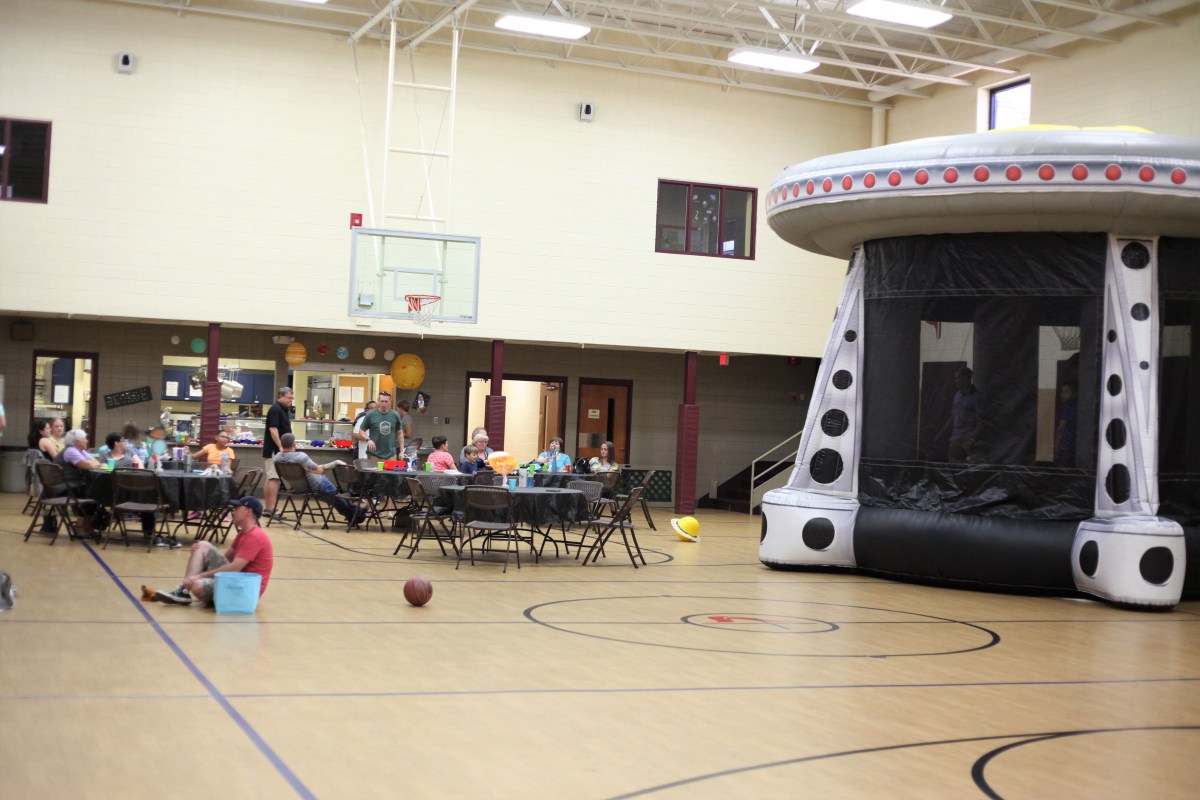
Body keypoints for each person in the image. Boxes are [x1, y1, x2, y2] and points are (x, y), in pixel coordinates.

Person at [143, 496, 274, 607]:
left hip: (244, 592)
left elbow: (234, 567)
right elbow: (225, 560)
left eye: (236, 509)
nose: (233, 512)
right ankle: (183, 590)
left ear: (248, 512)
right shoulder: (243, 534)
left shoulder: (255, 536)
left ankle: (190, 587)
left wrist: (200, 576)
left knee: (197, 585)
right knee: (202, 545)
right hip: (236, 581)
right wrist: (200, 556)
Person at [274, 433, 363, 524]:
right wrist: (335, 463)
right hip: (314, 485)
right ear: (294, 444)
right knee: (335, 496)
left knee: (332, 498)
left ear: (281, 444)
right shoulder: (300, 457)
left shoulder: (277, 457)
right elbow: (318, 470)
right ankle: (357, 512)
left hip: (297, 487)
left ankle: (353, 514)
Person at [262, 387, 294, 521]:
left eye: (292, 398)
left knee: (271, 478)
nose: (291, 400)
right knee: (274, 479)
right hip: (274, 450)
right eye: (289, 398)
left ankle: (268, 508)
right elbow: (273, 429)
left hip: (276, 450)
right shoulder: (276, 409)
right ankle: (271, 508)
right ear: (280, 396)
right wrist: (280, 446)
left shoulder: (283, 410)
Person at [942, 367, 985, 463]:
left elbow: (981, 421)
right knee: (953, 467)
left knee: (975, 467)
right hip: (955, 438)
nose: (955, 381)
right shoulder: (957, 395)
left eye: (957, 378)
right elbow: (952, 416)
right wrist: (941, 433)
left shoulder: (977, 397)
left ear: (965, 378)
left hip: (969, 439)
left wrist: (972, 440)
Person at [356, 390, 403, 460]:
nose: (384, 404)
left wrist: (401, 451)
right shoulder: (370, 415)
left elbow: (400, 433)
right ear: (378, 401)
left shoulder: (395, 415)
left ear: (390, 401)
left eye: (386, 401)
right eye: (382, 401)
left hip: (391, 455)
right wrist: (368, 440)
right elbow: (361, 431)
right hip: (374, 454)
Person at [1054, 381, 1078, 467]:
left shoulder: (1068, 408)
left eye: (1067, 392)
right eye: (1062, 392)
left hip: (1066, 446)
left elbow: (1060, 429)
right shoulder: (1075, 406)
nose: (1063, 395)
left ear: (1074, 394)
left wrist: (1056, 447)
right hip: (1073, 446)